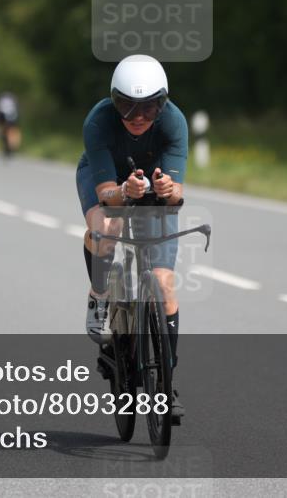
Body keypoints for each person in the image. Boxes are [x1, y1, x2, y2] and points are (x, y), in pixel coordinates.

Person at [76, 54, 187, 417]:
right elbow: (107, 193)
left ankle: (166, 387)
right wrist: (125, 192)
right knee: (108, 226)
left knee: (164, 282)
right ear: (113, 101)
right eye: (127, 107)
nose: (138, 117)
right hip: (104, 179)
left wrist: (168, 189)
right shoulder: (98, 121)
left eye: (149, 108)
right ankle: (99, 295)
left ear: (163, 103)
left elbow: (177, 196)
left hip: (151, 190)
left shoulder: (174, 122)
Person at [0, 91, 21, 157]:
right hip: (9, 116)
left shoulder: (2, 99)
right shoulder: (12, 99)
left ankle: (10, 142)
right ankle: (10, 142)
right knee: (8, 129)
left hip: (6, 116)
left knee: (6, 129)